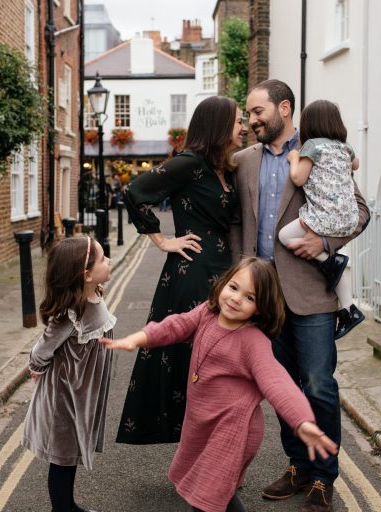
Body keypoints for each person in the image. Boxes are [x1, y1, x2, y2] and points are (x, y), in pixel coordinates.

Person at [100, 258, 338, 512]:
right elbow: (177, 325)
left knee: (206, 497)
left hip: (233, 429)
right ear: (223, 283)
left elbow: (277, 381)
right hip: (203, 422)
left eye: (250, 298)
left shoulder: (253, 342)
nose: (236, 299)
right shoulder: (207, 313)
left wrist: (302, 421)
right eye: (234, 288)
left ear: (261, 308)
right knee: (214, 493)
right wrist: (139, 338)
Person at [230, 80, 369, 512]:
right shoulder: (244, 162)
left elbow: (360, 210)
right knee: (283, 387)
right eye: (248, 114)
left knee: (318, 385)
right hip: (263, 297)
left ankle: (324, 475)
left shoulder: (320, 148)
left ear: (283, 108)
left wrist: (326, 245)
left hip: (310, 293)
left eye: (257, 112)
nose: (251, 120)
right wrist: (240, 272)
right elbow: (238, 222)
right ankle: (297, 465)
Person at [116, 95, 245, 445]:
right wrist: (163, 241)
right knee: (194, 363)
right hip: (190, 276)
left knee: (218, 365)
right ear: (219, 125)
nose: (243, 126)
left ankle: (211, 450)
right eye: (237, 120)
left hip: (223, 274)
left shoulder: (225, 167)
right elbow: (135, 191)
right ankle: (202, 454)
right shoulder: (190, 162)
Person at [20, 236, 115, 512]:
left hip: (81, 392)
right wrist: (36, 369)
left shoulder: (95, 293)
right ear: (86, 274)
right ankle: (62, 509)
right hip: (64, 398)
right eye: (102, 259)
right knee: (61, 458)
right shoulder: (69, 314)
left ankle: (68, 505)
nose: (108, 261)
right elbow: (42, 348)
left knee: (69, 454)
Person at [278, 99, 365, 339]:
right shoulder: (344, 148)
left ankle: (329, 260)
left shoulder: (312, 147)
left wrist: (294, 158)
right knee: (336, 270)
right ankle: (349, 310)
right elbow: (355, 165)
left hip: (322, 218)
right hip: (347, 219)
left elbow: (298, 178)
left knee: (284, 236)